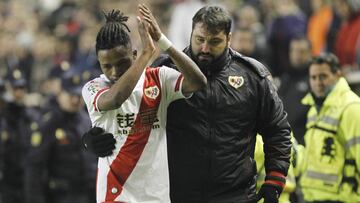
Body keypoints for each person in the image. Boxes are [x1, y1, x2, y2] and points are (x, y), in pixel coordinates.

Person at [84, 5, 291, 203]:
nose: (205, 48)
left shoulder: (252, 77)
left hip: (234, 194)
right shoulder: (164, 71)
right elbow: (127, 113)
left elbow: (278, 129)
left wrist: (275, 179)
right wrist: (90, 138)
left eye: (214, 41)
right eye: (199, 39)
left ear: (229, 39)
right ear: (191, 34)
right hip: (178, 194)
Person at [81, 4, 206, 203]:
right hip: (115, 195)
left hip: (156, 196)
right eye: (107, 66)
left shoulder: (158, 79)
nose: (114, 72)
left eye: (122, 63)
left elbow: (198, 82)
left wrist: (163, 42)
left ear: (133, 55)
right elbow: (115, 100)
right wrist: (147, 54)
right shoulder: (94, 88)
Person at [24, 69, 97, 203]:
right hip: (60, 196)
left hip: (88, 194)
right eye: (70, 95)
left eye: (78, 95)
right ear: (60, 95)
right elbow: (35, 168)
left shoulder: (88, 121)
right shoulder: (49, 124)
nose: (75, 100)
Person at [299, 53, 360, 202]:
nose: (318, 82)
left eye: (323, 76)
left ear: (338, 75)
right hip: (312, 197)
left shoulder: (351, 108)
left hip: (342, 198)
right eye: (313, 77)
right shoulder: (314, 109)